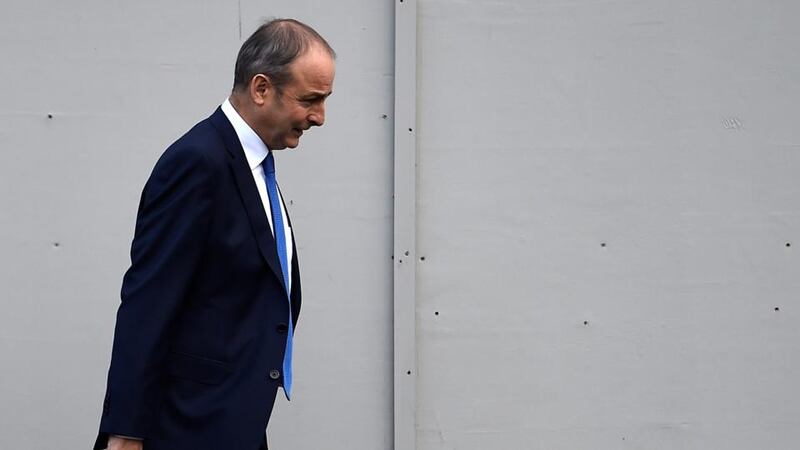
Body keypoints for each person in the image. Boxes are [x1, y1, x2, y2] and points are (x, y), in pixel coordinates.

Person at [93, 18, 335, 450]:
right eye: (310, 100)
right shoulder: (197, 162)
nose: (319, 117)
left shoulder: (253, 164)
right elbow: (147, 302)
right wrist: (126, 432)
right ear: (261, 89)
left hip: (231, 424)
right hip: (186, 427)